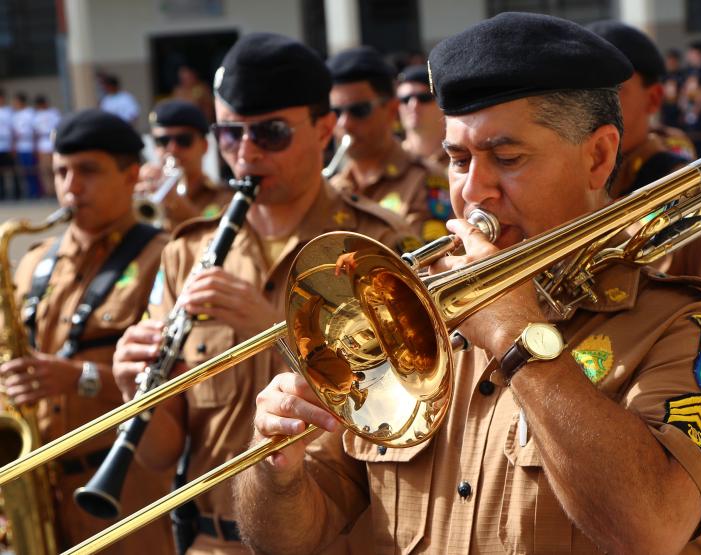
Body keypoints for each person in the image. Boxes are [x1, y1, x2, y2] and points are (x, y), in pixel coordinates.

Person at [234, 13, 701, 554]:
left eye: (507, 158)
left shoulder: (683, 324)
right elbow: (291, 538)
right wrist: (276, 470)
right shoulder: (409, 314)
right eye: (458, 160)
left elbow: (651, 527)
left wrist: (515, 335)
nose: (474, 191)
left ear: (597, 157)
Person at [110, 32, 417, 555]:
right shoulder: (187, 252)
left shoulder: (381, 243)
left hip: (337, 539)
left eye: (270, 133)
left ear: (324, 129)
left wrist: (276, 328)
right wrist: (133, 390)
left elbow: (405, 411)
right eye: (229, 134)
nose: (245, 153)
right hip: (212, 542)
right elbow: (163, 454)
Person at [587, 19, 701, 554]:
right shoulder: (564, 192)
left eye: (612, 95)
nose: (595, 110)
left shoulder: (695, 195)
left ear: (654, 97)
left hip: (674, 450)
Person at [0, 109, 174, 552]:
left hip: (126, 494)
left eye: (88, 171)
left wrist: (79, 377)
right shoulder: (35, 260)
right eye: (61, 172)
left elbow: (178, 381)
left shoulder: (165, 256)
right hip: (40, 491)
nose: (70, 187)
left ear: (131, 175)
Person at [326, 46, 452, 243]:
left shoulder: (425, 180)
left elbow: (425, 265)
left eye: (359, 110)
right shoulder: (334, 189)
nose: (344, 123)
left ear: (392, 110)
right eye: (336, 112)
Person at [137, 100, 231, 230]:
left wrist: (186, 213)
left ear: (205, 146)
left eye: (184, 140)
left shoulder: (226, 198)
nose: (172, 149)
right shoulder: (146, 189)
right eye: (162, 141)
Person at [397, 64, 448, 172]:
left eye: (423, 98)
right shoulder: (392, 160)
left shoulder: (463, 154)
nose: (413, 105)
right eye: (405, 100)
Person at [11, 92, 40, 199]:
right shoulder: (15, 115)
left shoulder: (30, 113)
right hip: (20, 146)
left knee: (32, 170)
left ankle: (36, 192)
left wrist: (34, 146)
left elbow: (35, 131)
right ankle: (29, 192)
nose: (14, 104)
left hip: (29, 145)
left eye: (16, 101)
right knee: (24, 171)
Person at [32, 94, 61, 198]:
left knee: (55, 169)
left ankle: (57, 190)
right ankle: (49, 191)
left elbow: (58, 127)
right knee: (45, 170)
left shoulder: (53, 113)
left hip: (52, 142)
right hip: (42, 144)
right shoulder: (37, 115)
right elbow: (35, 132)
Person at [0, 89, 17, 200]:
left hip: (7, 145)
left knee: (12, 170)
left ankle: (16, 193)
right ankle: (2, 193)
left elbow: (14, 129)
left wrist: (13, 145)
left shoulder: (9, 112)